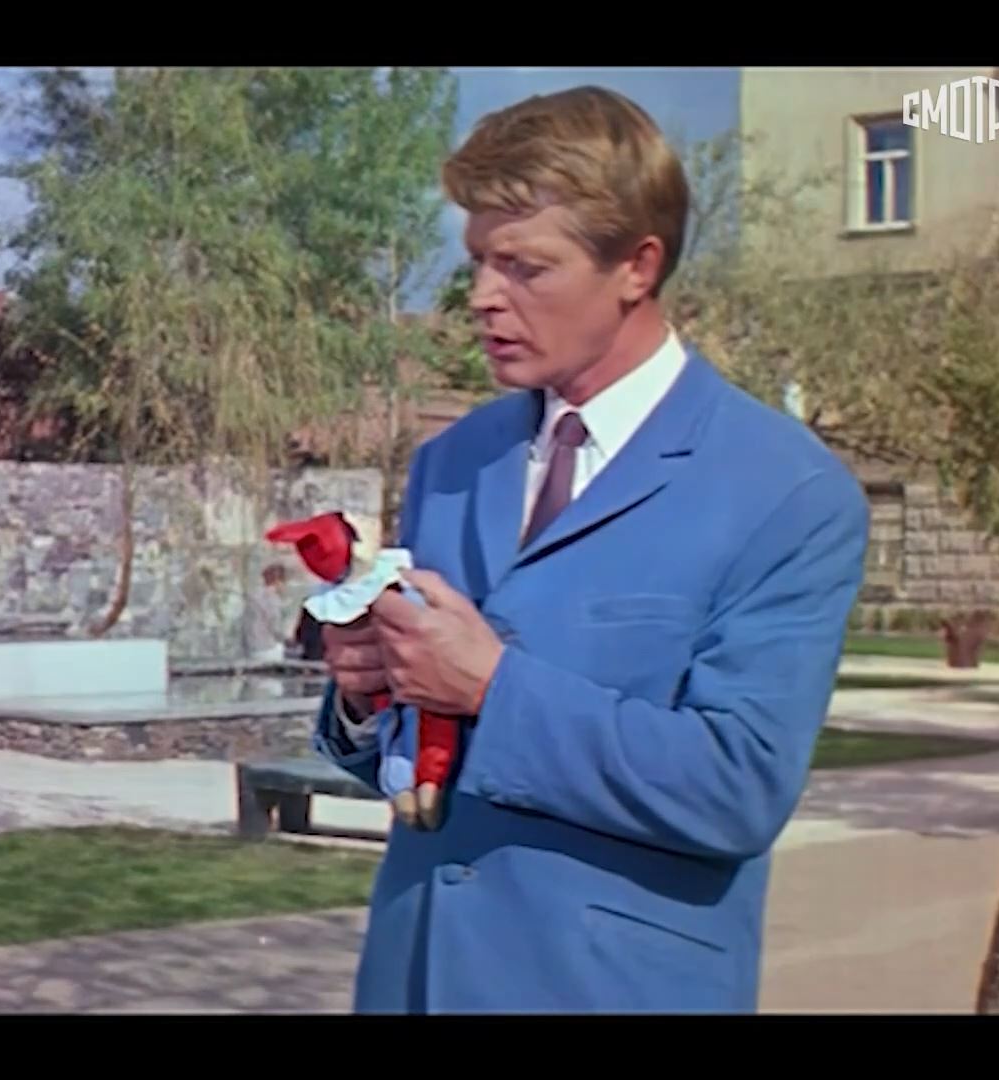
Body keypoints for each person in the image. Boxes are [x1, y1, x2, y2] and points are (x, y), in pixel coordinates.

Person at [312, 86, 869, 1013]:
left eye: (525, 266)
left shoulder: (787, 491)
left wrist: (491, 687)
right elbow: (414, 761)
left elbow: (738, 788)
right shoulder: (451, 463)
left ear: (636, 267)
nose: (482, 297)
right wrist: (370, 697)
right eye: (479, 260)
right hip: (415, 981)